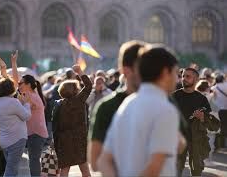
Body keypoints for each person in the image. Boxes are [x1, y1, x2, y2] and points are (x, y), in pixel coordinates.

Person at [97, 45, 180, 176]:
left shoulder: (127, 104)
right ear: (165, 72)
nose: (177, 79)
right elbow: (153, 169)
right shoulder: (165, 110)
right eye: (176, 72)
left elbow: (103, 161)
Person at [88, 40, 144, 171]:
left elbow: (179, 146)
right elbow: (95, 161)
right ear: (125, 70)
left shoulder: (162, 101)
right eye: (143, 69)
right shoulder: (107, 107)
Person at [173, 67, 220, 176]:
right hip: (178, 138)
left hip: (197, 139)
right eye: (183, 76)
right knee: (176, 170)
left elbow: (213, 124)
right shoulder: (174, 96)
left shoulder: (202, 99)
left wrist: (202, 117)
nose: (184, 78)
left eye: (188, 76)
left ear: (196, 80)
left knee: (196, 169)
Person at [53, 65, 92, 177]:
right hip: (79, 139)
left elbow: (56, 125)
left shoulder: (59, 104)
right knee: (85, 170)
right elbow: (89, 85)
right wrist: (80, 71)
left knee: (64, 170)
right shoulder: (79, 100)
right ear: (75, 90)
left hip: (64, 140)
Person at [0, 78, 31, 176]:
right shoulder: (13, 102)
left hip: (4, 140)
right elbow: (26, 116)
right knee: (11, 169)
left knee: (11, 168)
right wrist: (27, 103)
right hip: (16, 139)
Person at [18, 74, 49, 176]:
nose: (18, 85)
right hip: (36, 133)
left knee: (33, 160)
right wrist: (13, 63)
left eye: (21, 83)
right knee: (34, 159)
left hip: (36, 133)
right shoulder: (32, 94)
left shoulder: (30, 96)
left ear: (29, 85)